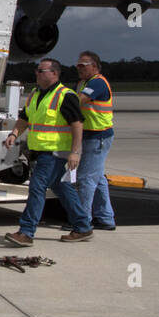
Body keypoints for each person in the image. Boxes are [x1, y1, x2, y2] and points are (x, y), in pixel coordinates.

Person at [2, 57, 87, 245]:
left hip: (55, 152)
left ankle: (26, 232)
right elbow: (25, 117)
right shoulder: (35, 93)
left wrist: (75, 152)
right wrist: (14, 134)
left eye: (41, 71)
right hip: (41, 151)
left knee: (37, 188)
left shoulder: (66, 95)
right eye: (37, 70)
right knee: (62, 188)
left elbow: (77, 124)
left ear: (54, 73)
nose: (37, 74)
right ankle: (83, 226)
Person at [57, 50, 116, 231]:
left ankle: (82, 220)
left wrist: (55, 102)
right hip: (91, 136)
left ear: (95, 66)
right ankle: (105, 218)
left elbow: (78, 101)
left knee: (85, 179)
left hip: (98, 137)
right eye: (78, 65)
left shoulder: (97, 83)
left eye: (83, 65)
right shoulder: (83, 82)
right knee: (97, 178)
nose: (79, 68)